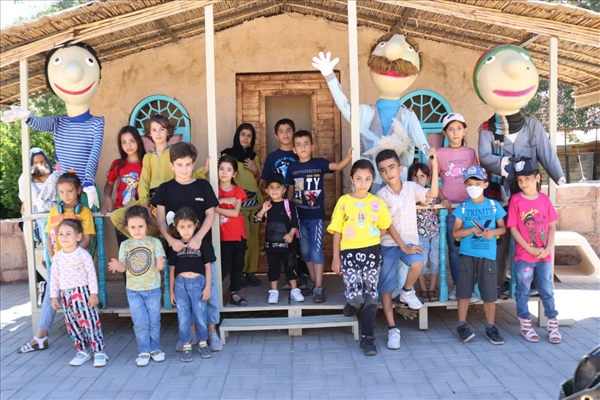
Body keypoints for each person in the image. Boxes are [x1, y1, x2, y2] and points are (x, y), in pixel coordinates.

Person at [17, 172, 96, 355]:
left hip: (76, 264)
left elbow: (87, 238)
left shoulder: (84, 212)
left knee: (71, 299)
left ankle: (83, 338)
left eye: (69, 191)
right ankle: (41, 335)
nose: (65, 195)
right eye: (61, 192)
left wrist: (73, 254)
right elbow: (49, 236)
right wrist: (53, 257)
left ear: (78, 190)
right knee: (50, 294)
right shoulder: (55, 211)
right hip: (59, 262)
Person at [154, 142, 222, 352]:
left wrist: (199, 237)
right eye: (179, 164)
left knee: (208, 292)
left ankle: (212, 331)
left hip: (202, 249)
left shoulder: (203, 186)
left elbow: (210, 215)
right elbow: (160, 220)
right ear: (172, 165)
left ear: (194, 164)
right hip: (178, 251)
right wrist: (171, 240)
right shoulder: (165, 189)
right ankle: (191, 334)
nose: (184, 169)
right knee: (183, 296)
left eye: (188, 164)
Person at [328, 160, 392, 356]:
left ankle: (368, 338)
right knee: (357, 297)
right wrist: (336, 258)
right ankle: (352, 304)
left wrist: (370, 237)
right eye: (358, 179)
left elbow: (384, 227)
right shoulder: (343, 202)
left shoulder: (376, 202)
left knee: (371, 297)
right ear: (351, 179)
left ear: (372, 180)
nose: (363, 183)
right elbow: (337, 231)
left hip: (372, 253)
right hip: (349, 254)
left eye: (367, 179)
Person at [376, 149, 438, 350]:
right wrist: (402, 246)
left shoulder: (411, 187)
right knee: (385, 288)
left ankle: (406, 291)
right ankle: (392, 329)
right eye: (383, 170)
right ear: (380, 174)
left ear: (400, 169)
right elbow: (387, 225)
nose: (388, 173)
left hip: (409, 243)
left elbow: (432, 194)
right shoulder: (381, 196)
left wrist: (435, 165)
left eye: (391, 167)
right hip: (389, 244)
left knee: (418, 263)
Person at [110, 115, 207, 238]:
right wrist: (144, 203)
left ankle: (162, 240)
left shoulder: (174, 152)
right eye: (154, 130)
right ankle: (149, 241)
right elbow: (144, 181)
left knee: (174, 223)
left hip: (171, 197)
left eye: (162, 129)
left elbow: (187, 173)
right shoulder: (148, 156)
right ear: (149, 133)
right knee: (116, 216)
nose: (158, 133)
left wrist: (205, 170)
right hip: (152, 199)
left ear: (168, 132)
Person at [286, 130, 353, 303]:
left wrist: (348, 156)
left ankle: (320, 287)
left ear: (313, 146)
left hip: (316, 217)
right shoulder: (292, 168)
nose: (303, 147)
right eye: (299, 145)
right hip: (299, 218)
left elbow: (337, 166)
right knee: (305, 251)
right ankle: (314, 282)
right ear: (294, 149)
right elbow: (290, 192)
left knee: (316, 250)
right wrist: (288, 212)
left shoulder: (319, 163)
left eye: (306, 144)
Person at [507, 160, 561, 344]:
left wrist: (547, 249)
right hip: (524, 256)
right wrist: (529, 248)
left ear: (537, 178)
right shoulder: (516, 200)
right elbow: (513, 228)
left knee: (547, 290)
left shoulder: (544, 199)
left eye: (528, 179)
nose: (524, 183)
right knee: (523, 291)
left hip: (544, 256)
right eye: (520, 180)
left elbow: (552, 226)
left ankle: (552, 324)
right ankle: (525, 325)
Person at [452, 166, 506, 345]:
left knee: (489, 292)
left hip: (488, 256)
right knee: (463, 292)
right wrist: (471, 230)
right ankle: (461, 325)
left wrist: (493, 233)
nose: (473, 187)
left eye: (477, 183)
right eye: (469, 184)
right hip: (467, 255)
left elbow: (502, 228)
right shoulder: (463, 207)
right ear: (464, 186)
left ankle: (491, 327)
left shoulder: (494, 205)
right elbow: (455, 232)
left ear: (485, 185)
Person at [108, 206, 166, 367]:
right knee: (140, 321)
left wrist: (161, 264)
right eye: (133, 227)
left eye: (140, 226)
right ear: (127, 228)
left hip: (153, 289)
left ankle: (155, 349)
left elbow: (160, 263)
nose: (137, 230)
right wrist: (117, 266)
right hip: (133, 291)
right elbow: (123, 266)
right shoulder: (125, 245)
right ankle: (144, 350)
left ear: (147, 225)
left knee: (154, 320)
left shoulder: (155, 242)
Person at [260, 118, 310, 291]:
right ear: (276, 135)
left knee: (301, 241)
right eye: (281, 131)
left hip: (302, 202)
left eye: (288, 130)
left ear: (294, 133)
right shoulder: (272, 157)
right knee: (285, 240)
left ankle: (303, 275)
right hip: (282, 207)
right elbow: (265, 181)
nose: (285, 134)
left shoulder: (300, 153)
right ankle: (289, 278)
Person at [50, 219, 107, 367]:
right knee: (72, 324)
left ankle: (99, 351)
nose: (64, 237)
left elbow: (91, 274)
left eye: (68, 233)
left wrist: (93, 293)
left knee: (90, 322)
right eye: (61, 234)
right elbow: (54, 278)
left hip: (82, 293)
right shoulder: (57, 257)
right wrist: (54, 296)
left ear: (78, 236)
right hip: (66, 295)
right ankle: (82, 350)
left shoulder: (83, 255)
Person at [436, 113, 479, 300]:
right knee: (454, 250)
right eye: (451, 129)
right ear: (445, 133)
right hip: (451, 210)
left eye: (459, 128)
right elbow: (432, 181)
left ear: (465, 131)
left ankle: (472, 288)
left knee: (472, 248)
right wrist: (442, 199)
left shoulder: (470, 153)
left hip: (470, 210)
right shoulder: (440, 154)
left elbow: (477, 179)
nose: (455, 133)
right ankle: (458, 286)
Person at [100, 125, 146, 284]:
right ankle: (130, 288)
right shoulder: (117, 164)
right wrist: (108, 198)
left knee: (142, 251)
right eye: (124, 142)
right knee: (125, 253)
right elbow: (109, 185)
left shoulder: (147, 162)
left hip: (141, 215)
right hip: (122, 215)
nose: (128, 145)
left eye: (132, 141)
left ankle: (145, 286)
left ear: (138, 141)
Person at [168, 208, 214, 361]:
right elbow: (172, 270)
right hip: (180, 286)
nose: (186, 230)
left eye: (189, 226)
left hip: (198, 284)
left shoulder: (202, 244)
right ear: (176, 227)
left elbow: (208, 267)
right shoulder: (175, 246)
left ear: (195, 225)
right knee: (183, 317)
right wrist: (171, 291)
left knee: (200, 315)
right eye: (182, 227)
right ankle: (186, 345)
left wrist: (207, 288)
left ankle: (202, 343)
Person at [221, 123, 262, 287]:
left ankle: (251, 271)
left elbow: (258, 180)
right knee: (242, 240)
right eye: (243, 134)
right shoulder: (227, 154)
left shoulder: (254, 157)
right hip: (238, 203)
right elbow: (223, 176)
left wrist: (255, 169)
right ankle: (240, 273)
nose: (245, 138)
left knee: (254, 240)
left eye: (249, 136)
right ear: (237, 135)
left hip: (254, 203)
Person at [254, 173, 304, 304]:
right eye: (271, 187)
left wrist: (291, 234)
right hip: (272, 245)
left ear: (284, 190)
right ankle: (274, 291)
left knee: (291, 266)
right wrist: (263, 210)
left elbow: (296, 222)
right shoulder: (267, 206)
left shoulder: (289, 205)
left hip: (288, 244)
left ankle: (294, 290)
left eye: (278, 187)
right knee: (273, 267)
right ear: (266, 191)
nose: (274, 190)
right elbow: (256, 219)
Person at [215, 155, 248, 306]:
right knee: (223, 267)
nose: (224, 172)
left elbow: (235, 213)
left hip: (237, 235)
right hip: (221, 237)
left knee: (237, 266)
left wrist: (216, 207)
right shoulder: (213, 189)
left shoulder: (238, 191)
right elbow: (205, 206)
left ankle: (234, 292)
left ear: (234, 173)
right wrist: (223, 201)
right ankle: (214, 293)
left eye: (229, 170)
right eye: (221, 168)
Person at [408, 163, 441, 302]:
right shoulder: (410, 194)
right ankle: (422, 288)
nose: (418, 180)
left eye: (422, 176)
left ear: (428, 178)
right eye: (415, 177)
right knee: (421, 260)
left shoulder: (432, 193)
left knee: (435, 260)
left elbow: (438, 212)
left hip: (434, 232)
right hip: (419, 233)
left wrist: (435, 206)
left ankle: (432, 289)